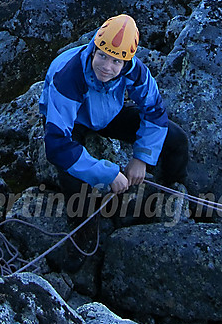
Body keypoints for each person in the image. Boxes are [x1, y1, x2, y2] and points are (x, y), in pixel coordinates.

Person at [39, 13, 188, 219]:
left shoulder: (135, 71)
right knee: (76, 185)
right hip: (72, 120)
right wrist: (107, 173)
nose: (107, 67)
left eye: (116, 61)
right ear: (94, 49)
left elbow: (155, 111)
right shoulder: (68, 76)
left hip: (108, 113)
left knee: (177, 139)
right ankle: (84, 239)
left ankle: (170, 195)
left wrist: (142, 158)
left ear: (127, 61)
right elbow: (57, 144)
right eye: (102, 56)